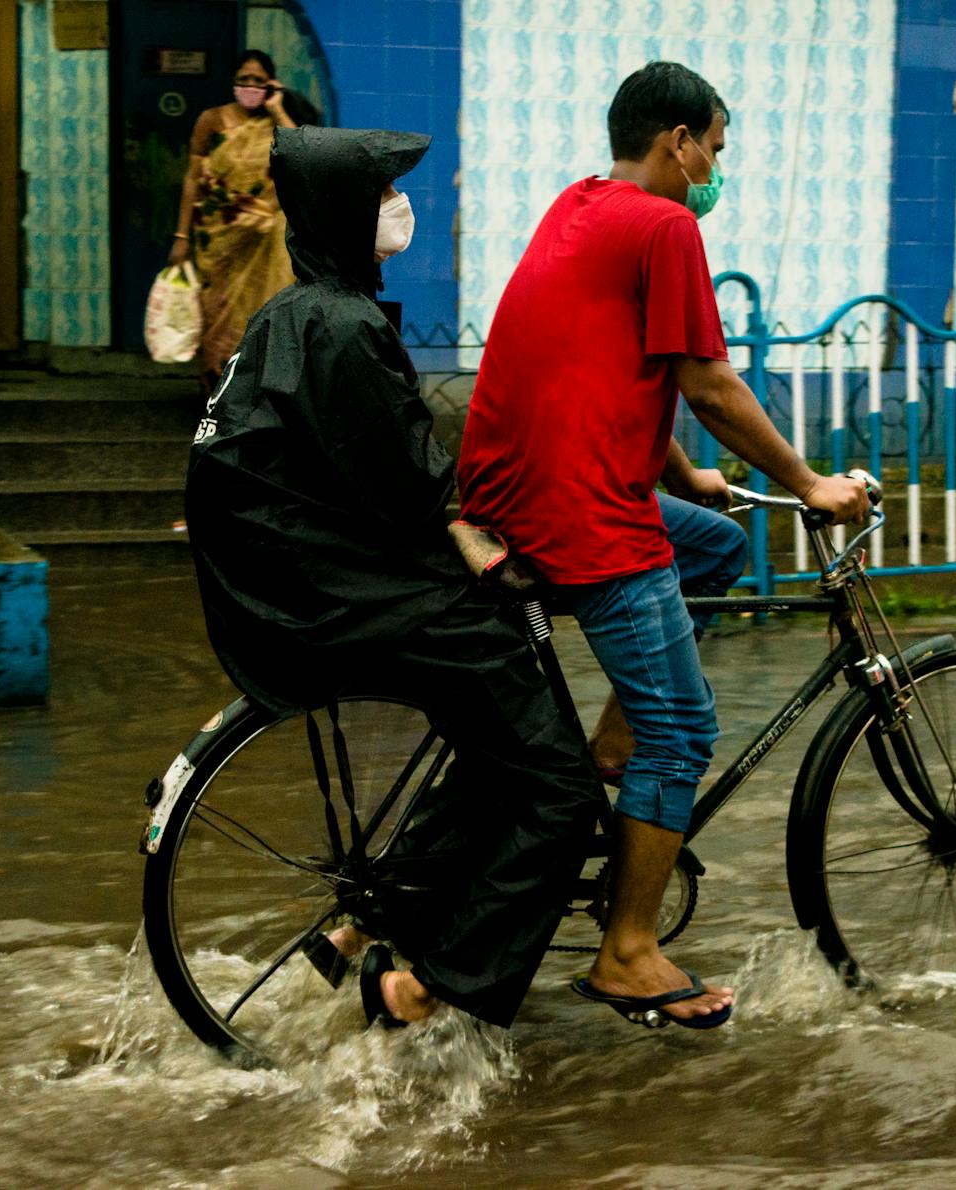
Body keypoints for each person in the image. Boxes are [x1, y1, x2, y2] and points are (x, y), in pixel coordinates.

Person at [455, 61, 869, 1028]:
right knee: (685, 730)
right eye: (714, 151)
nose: (715, 172)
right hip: (580, 512)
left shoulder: (583, 204)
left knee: (713, 547)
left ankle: (610, 749)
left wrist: (685, 477)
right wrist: (809, 484)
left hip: (510, 491)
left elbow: (600, 363)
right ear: (678, 140)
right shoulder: (666, 222)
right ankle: (629, 953)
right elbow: (709, 382)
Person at [185, 126, 606, 1028]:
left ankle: (370, 919)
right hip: (357, 601)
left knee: (497, 753)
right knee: (560, 786)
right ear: (345, 211)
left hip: (301, 593)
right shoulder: (342, 327)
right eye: (383, 194)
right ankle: (424, 987)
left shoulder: (295, 314)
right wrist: (503, 550)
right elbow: (414, 488)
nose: (399, 209)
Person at [168, 50, 305, 394]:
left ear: (270, 84)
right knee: (215, 313)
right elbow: (193, 179)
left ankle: (254, 392)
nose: (250, 86)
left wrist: (276, 107)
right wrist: (181, 235)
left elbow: (301, 156)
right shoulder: (211, 120)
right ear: (232, 82)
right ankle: (214, 390)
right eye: (244, 79)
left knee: (262, 310)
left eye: (259, 80)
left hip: (265, 242)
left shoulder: (276, 121)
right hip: (218, 240)